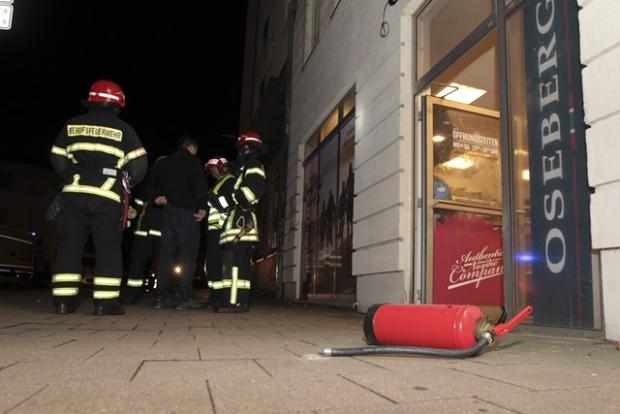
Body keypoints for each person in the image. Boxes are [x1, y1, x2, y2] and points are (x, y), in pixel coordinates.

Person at [49, 79, 147, 315]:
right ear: (118, 104)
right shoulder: (124, 130)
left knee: (70, 247)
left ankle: (63, 301)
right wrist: (126, 183)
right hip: (107, 196)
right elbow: (139, 167)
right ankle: (105, 303)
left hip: (74, 193)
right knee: (108, 248)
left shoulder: (71, 125)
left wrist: (71, 175)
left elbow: (57, 157)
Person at [151, 135, 208, 311]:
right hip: (186, 213)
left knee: (165, 256)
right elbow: (199, 184)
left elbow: (152, 185)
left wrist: (155, 198)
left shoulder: (164, 163)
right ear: (191, 147)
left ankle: (161, 299)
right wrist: (202, 207)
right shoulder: (192, 161)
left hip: (168, 212)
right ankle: (185, 299)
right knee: (188, 256)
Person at [214, 132, 266, 313]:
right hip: (237, 222)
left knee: (236, 265)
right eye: (241, 148)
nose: (242, 151)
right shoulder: (242, 170)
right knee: (237, 265)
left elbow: (253, 192)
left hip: (242, 224)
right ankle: (239, 301)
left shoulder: (254, 166)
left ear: (251, 148)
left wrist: (232, 197)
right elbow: (229, 201)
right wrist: (217, 200)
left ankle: (235, 302)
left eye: (245, 148)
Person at [123, 158, 164, 304]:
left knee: (158, 263)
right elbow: (138, 202)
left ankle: (160, 294)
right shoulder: (148, 183)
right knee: (139, 262)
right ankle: (135, 293)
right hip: (147, 230)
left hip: (155, 231)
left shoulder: (158, 184)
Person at [203, 156, 235, 306]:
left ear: (222, 168)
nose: (213, 174)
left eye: (214, 170)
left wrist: (214, 198)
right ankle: (214, 295)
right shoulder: (220, 183)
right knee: (212, 264)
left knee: (217, 264)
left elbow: (228, 204)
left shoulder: (230, 181)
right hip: (215, 229)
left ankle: (220, 297)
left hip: (222, 229)